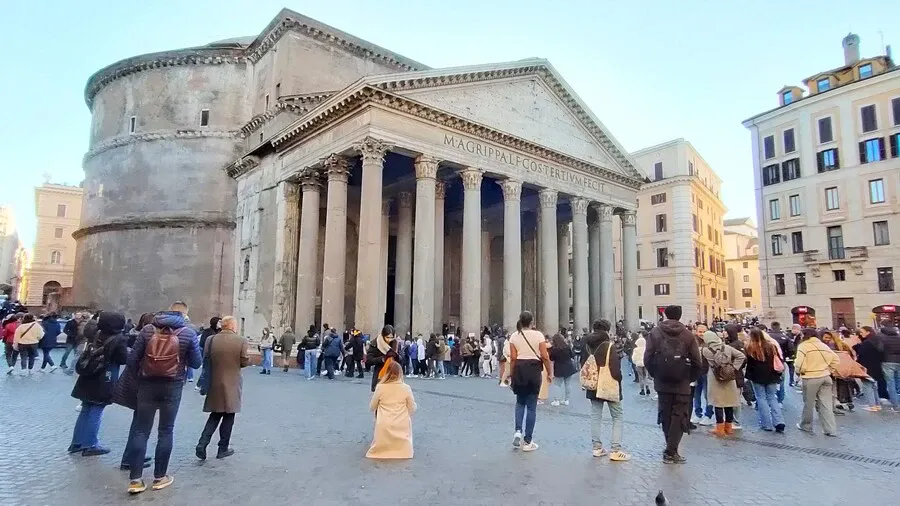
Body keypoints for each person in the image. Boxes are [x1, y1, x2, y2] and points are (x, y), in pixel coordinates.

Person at [125, 301, 202, 494]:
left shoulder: (148, 330)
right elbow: (196, 363)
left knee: (141, 431)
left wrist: (142, 376)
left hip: (147, 384)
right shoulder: (188, 333)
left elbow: (132, 360)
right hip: (172, 385)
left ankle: (135, 480)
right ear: (184, 315)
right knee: (166, 431)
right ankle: (160, 477)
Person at [644, 305, 702, 464]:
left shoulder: (655, 333)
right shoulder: (688, 335)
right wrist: (690, 378)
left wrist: (656, 374)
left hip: (662, 381)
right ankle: (671, 450)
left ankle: (670, 448)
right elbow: (698, 362)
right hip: (682, 382)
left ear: (665, 314)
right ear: (680, 315)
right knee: (679, 416)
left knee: (666, 414)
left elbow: (647, 358)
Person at [68, 312, 128, 456]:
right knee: (97, 410)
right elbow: (122, 359)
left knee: (86, 408)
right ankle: (90, 444)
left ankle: (77, 442)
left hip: (88, 374)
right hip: (104, 376)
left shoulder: (96, 333)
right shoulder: (119, 339)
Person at [195, 316, 248, 460]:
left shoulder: (210, 340)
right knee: (229, 415)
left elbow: (206, 357)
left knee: (215, 414)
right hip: (232, 382)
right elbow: (244, 361)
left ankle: (202, 443)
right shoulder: (241, 341)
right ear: (232, 326)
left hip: (214, 382)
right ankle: (222, 448)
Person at [584, 324, 630, 461]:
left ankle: (597, 448)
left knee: (595, 416)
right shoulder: (609, 346)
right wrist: (619, 379)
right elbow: (615, 369)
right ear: (607, 330)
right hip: (608, 384)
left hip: (593, 383)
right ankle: (615, 449)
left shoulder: (587, 344)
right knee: (617, 415)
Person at [508, 311, 551, 452]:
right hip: (533, 370)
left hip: (519, 369)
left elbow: (513, 358)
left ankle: (517, 431)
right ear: (532, 322)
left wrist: (511, 374)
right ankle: (528, 441)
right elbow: (544, 356)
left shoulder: (515, 336)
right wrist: (549, 372)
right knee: (532, 406)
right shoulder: (538, 335)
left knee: (520, 402)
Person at [366, 360, 416, 459]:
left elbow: (372, 407)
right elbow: (412, 408)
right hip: (401, 423)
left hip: (384, 423)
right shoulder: (406, 388)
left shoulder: (380, 387)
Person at [795, 328, 839, 436]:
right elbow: (836, 360)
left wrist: (799, 372)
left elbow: (799, 364)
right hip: (825, 377)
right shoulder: (824, 346)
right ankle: (830, 429)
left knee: (808, 403)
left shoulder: (803, 346)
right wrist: (829, 370)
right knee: (826, 404)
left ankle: (806, 425)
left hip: (811, 377)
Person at [702, 330, 746, 437]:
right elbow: (741, 356)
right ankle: (729, 427)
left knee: (718, 403)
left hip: (715, 378)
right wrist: (733, 367)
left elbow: (702, 364)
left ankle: (719, 428)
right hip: (729, 377)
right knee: (729, 402)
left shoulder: (705, 350)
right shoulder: (727, 347)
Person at [744, 328, 786, 433]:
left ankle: (766, 424)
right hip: (772, 375)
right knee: (772, 398)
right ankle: (779, 421)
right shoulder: (771, 346)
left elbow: (747, 363)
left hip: (756, 376)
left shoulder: (749, 347)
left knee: (761, 398)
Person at [690, 325, 714, 426]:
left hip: (707, 372)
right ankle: (697, 413)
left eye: (704, 331)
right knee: (696, 394)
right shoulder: (693, 342)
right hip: (696, 372)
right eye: (700, 331)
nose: (702, 334)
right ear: (696, 332)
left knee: (708, 395)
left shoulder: (710, 343)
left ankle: (708, 415)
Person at [854, 326, 887, 402]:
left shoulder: (867, 343)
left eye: (862, 332)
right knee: (874, 386)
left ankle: (872, 405)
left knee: (868, 386)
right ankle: (877, 404)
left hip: (868, 366)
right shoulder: (877, 340)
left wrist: (856, 346)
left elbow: (862, 354)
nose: (860, 334)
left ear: (868, 332)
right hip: (877, 365)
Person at [366, 325, 400, 392]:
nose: (389, 340)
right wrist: (381, 359)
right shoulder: (375, 343)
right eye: (387, 337)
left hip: (393, 374)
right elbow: (369, 360)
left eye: (391, 337)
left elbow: (400, 360)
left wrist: (398, 357)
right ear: (383, 335)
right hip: (380, 374)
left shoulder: (395, 342)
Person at [874, 324, 900, 412]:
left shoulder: (883, 339)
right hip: (899, 362)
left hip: (887, 361)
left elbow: (880, 350)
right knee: (898, 382)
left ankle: (896, 405)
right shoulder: (899, 338)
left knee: (890, 383)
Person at [549, 332, 576, 406]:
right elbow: (572, 355)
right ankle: (567, 400)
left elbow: (551, 358)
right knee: (568, 384)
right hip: (569, 367)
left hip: (559, 367)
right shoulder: (567, 347)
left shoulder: (554, 349)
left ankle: (556, 400)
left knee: (557, 384)